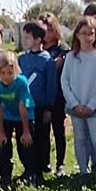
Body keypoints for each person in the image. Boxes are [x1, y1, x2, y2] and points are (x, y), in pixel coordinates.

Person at [60, 17, 96, 177]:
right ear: (77, 34)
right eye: (84, 33)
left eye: (91, 33)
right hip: (76, 105)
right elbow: (64, 81)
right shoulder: (71, 57)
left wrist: (92, 104)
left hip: (94, 107)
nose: (87, 37)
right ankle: (84, 172)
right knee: (80, 139)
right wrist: (74, 103)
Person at [18, 20, 58, 186]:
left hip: (40, 107)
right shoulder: (22, 59)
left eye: (27, 37)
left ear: (38, 39)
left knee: (41, 138)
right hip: (24, 108)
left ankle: (41, 169)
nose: (24, 40)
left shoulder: (47, 61)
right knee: (26, 139)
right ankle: (29, 168)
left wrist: (49, 107)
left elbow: (51, 85)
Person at [0, 50, 35, 190]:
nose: (6, 77)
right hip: (6, 116)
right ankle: (5, 176)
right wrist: (1, 132)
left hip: (24, 115)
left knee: (25, 145)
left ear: (15, 70)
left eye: (10, 73)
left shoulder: (21, 82)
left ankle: (30, 173)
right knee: (4, 145)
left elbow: (23, 107)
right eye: (3, 73)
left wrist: (26, 132)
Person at [40, 12, 71, 174]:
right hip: (42, 95)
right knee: (43, 130)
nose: (47, 33)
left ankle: (60, 163)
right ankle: (44, 162)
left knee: (59, 129)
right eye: (44, 29)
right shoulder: (38, 49)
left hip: (59, 95)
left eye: (50, 29)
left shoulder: (63, 49)